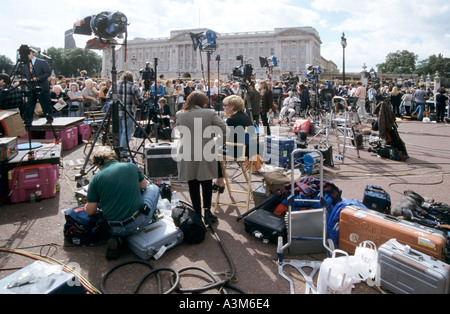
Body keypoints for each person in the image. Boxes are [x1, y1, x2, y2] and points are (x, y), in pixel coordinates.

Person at [85, 146, 160, 259]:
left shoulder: (95, 179)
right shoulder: (130, 166)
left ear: (98, 163)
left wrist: (86, 203)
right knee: (153, 188)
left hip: (113, 227)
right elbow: (143, 186)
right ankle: (150, 217)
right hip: (136, 223)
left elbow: (91, 211)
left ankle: (118, 238)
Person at [175, 92, 228, 225]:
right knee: (206, 183)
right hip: (206, 150)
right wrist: (217, 142)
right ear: (201, 102)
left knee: (192, 184)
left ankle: (197, 214)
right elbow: (224, 129)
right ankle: (207, 212)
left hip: (187, 152)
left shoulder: (180, 114)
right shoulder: (209, 113)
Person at [213, 95, 253, 193]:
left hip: (237, 151)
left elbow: (226, 139)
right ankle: (219, 180)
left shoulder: (232, 119)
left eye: (225, 105)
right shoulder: (245, 116)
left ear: (232, 107)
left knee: (212, 151)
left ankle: (219, 180)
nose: (223, 107)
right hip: (248, 149)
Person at [22, 48, 53, 127]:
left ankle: (49, 118)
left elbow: (47, 73)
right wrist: (24, 79)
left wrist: (38, 78)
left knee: (45, 103)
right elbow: (23, 74)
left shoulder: (42, 62)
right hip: (31, 87)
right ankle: (28, 121)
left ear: (31, 53)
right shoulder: (24, 64)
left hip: (42, 86)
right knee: (30, 104)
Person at [116, 71, 141, 154]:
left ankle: (118, 149)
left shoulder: (116, 85)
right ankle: (123, 152)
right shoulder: (133, 86)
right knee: (126, 133)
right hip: (128, 112)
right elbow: (140, 99)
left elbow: (109, 96)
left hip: (117, 112)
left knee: (119, 132)